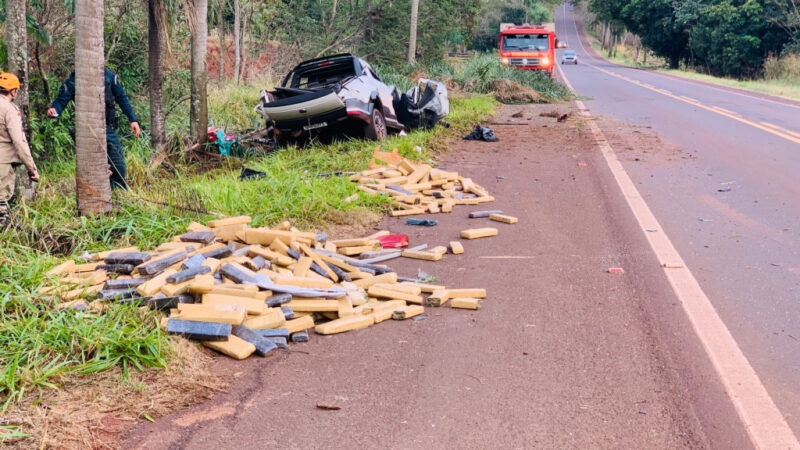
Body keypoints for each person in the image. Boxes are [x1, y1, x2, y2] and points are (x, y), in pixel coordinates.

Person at [47, 68, 141, 190]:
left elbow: (122, 98)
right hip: (87, 132)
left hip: (108, 129)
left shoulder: (108, 77)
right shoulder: (75, 80)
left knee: (119, 167)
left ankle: (117, 193)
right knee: (93, 169)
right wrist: (55, 110)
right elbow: (62, 99)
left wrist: (133, 119)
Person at [0, 72, 39, 227]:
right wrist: (32, 169)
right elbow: (19, 141)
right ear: (13, 91)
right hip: (3, 163)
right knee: (1, 204)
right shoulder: (9, 109)